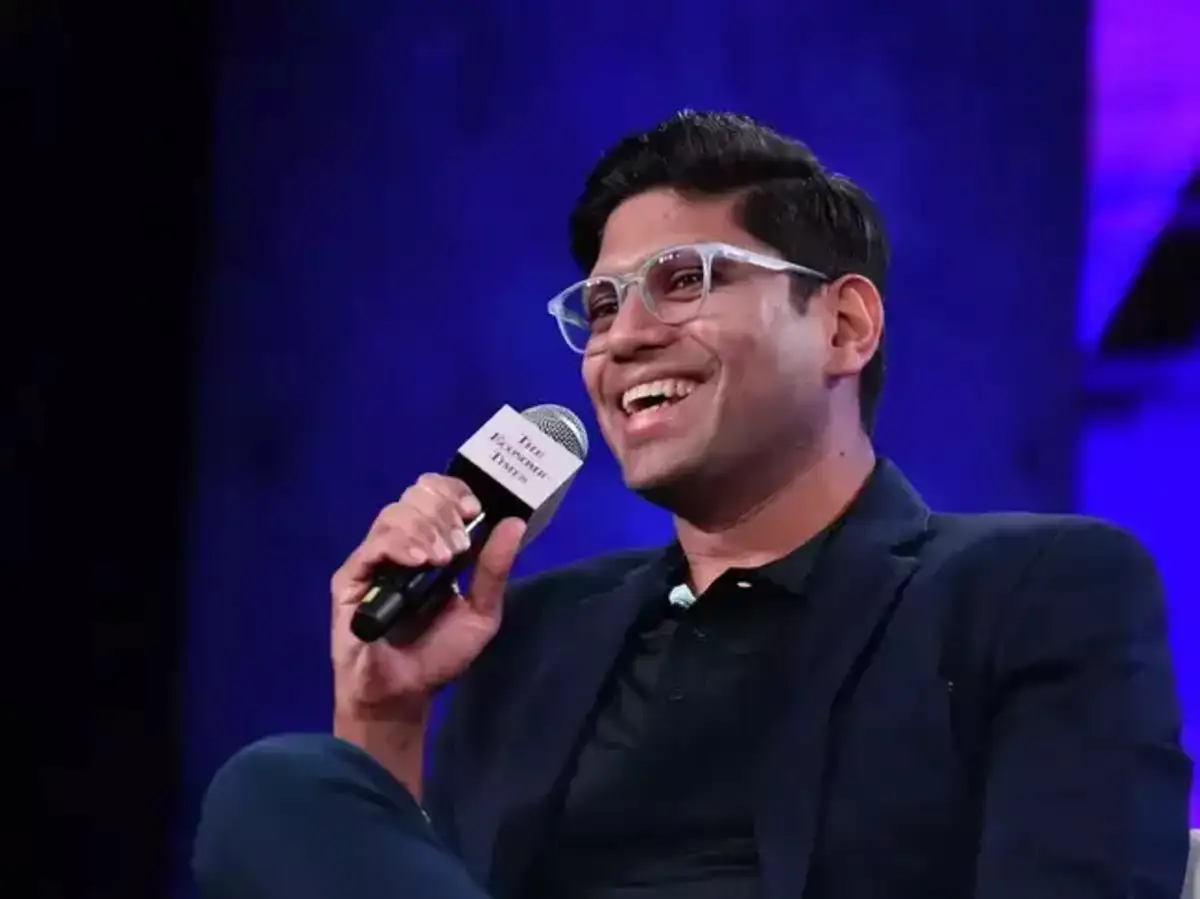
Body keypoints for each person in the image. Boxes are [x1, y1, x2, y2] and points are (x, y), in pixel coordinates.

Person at [193, 111, 1193, 899]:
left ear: (844, 325)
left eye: (685, 281)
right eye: (601, 304)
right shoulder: (532, 636)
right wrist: (385, 710)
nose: (622, 337)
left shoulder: (1032, 588)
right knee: (278, 788)